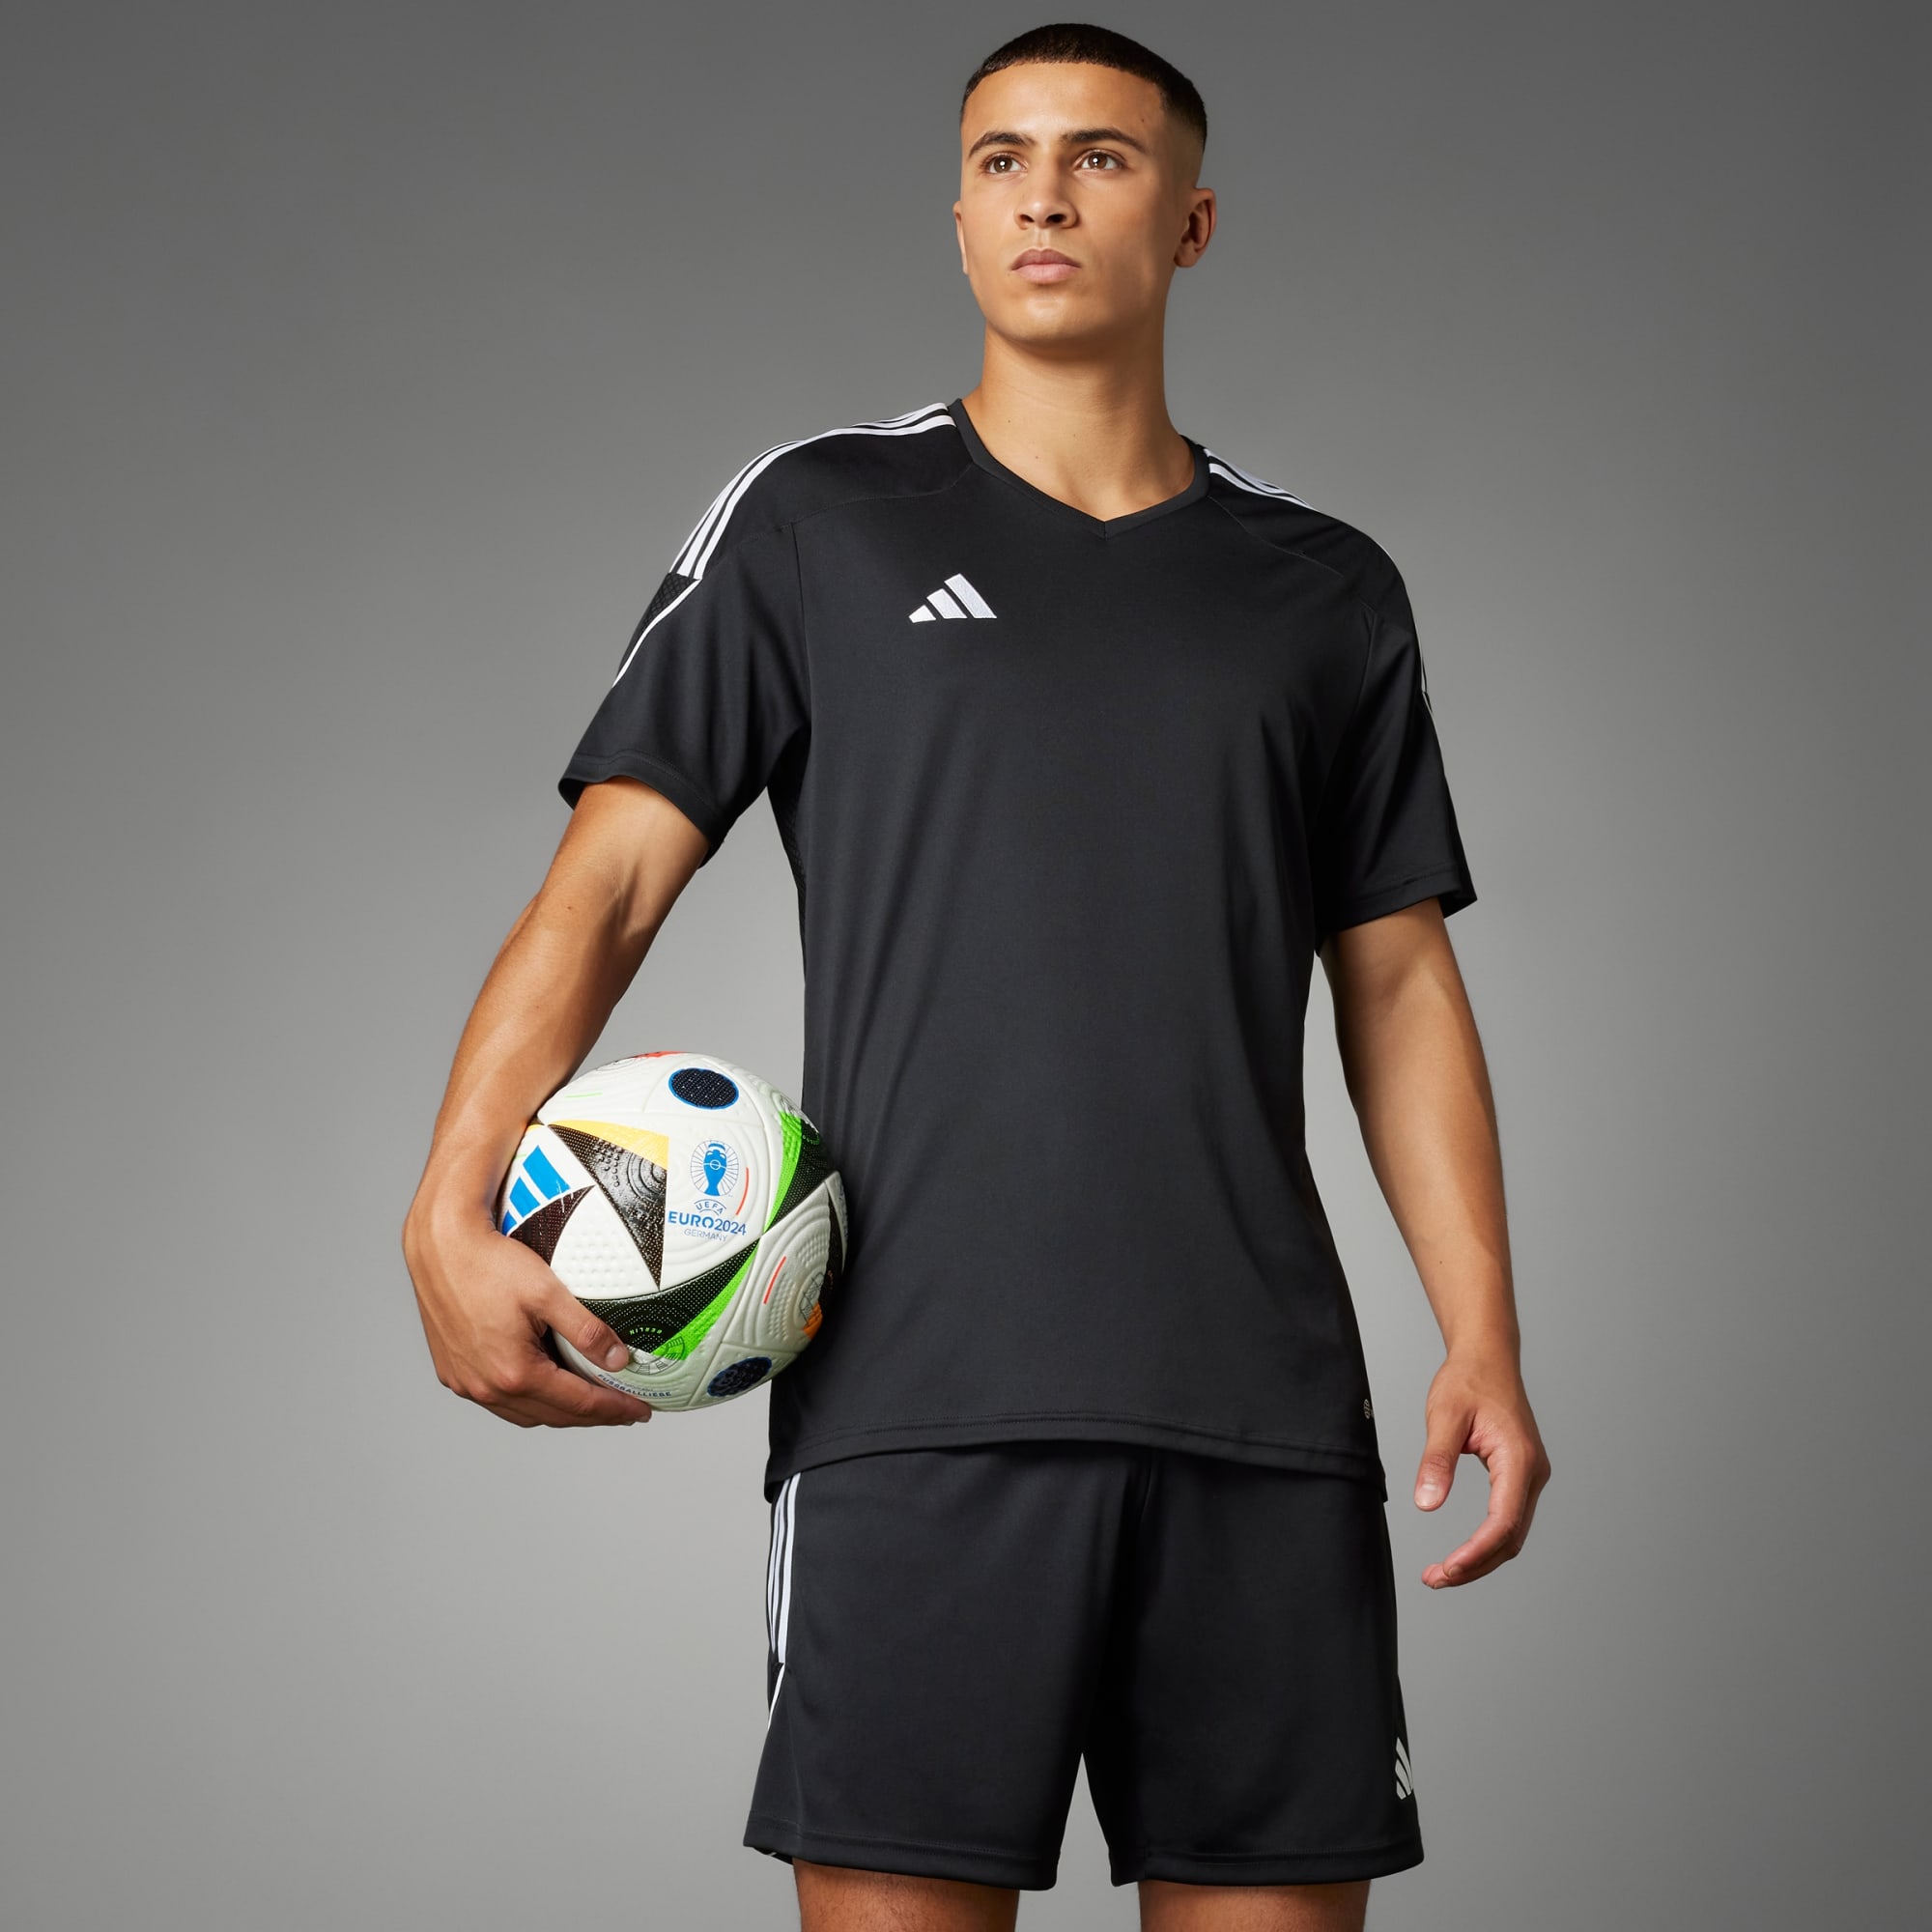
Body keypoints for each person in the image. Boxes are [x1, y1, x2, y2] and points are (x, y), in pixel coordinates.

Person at [402, 21, 1551, 1932]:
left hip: (1262, 1420)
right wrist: (448, 1203)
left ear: (1189, 223)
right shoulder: (816, 522)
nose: (1045, 195)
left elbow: (1399, 982)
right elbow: (605, 884)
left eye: (1101, 158)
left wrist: (1484, 1333)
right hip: (912, 1412)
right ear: (955, 219)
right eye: (1003, 159)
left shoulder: (1323, 586)